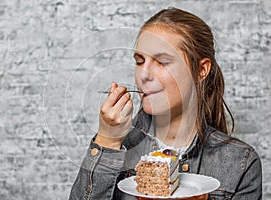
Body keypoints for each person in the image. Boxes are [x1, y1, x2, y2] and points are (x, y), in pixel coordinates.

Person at [69, 8, 262, 200]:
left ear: (201, 70)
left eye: (161, 62)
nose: (143, 75)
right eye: (139, 61)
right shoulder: (114, 150)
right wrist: (107, 140)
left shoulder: (241, 163)